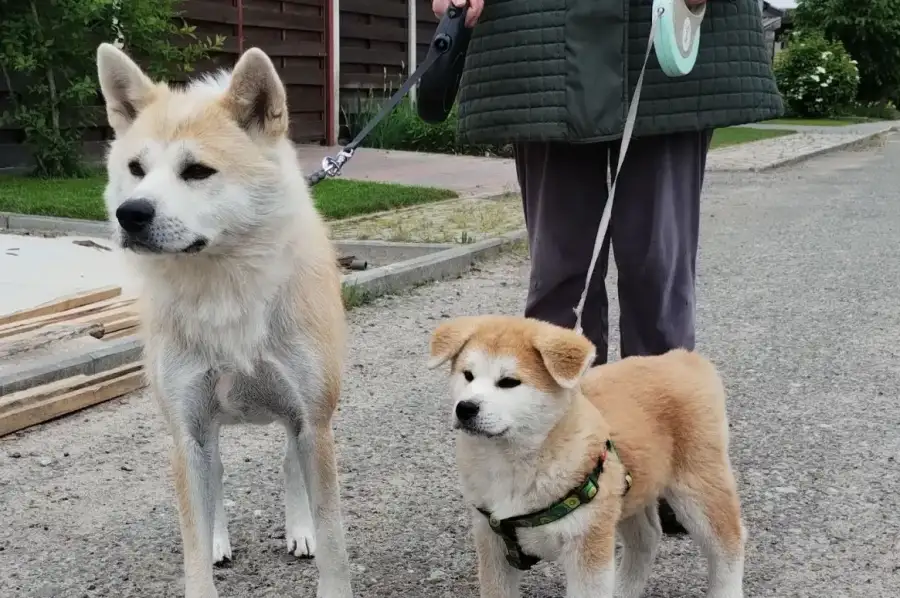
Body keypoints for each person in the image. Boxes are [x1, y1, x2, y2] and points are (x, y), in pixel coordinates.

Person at [431, 0, 783, 535]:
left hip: (665, 43)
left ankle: (668, 458)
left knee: (657, 273)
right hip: (541, 41)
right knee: (559, 284)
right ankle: (561, 465)